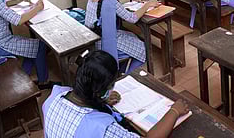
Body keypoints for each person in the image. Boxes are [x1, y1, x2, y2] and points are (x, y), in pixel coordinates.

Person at [43, 50, 189, 137]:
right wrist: (174, 111)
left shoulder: (53, 98)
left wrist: (100, 101)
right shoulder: (103, 128)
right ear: (101, 90)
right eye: (113, 84)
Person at [85, 0, 158, 73]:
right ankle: (126, 75)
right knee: (143, 48)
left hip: (95, 38)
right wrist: (147, 5)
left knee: (132, 35)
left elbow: (113, 4)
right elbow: (132, 18)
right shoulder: (110, 2)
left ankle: (121, 69)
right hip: (105, 43)